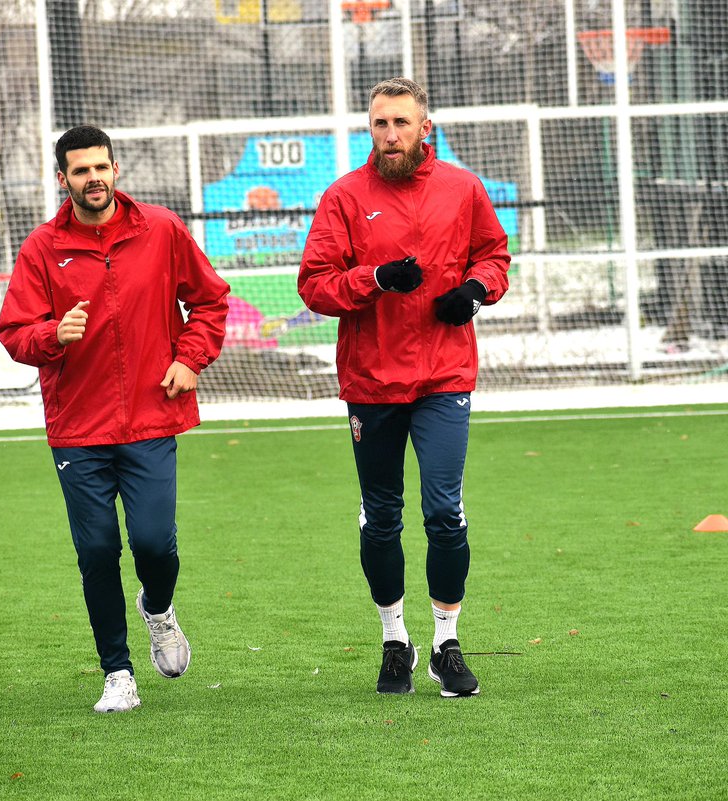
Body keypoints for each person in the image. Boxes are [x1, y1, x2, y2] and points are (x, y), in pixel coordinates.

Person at [0, 125, 230, 713]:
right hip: (78, 427)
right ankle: (117, 673)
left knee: (154, 544)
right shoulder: (41, 248)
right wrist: (52, 334)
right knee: (97, 552)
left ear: (115, 169)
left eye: (100, 167)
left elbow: (209, 300)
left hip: (151, 417)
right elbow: (14, 331)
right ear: (63, 179)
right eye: (80, 171)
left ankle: (159, 609)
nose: (93, 178)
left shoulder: (161, 229)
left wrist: (189, 359)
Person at [297, 78, 511, 697]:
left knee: (444, 511)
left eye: (400, 123)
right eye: (380, 123)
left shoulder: (463, 189)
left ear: (425, 128)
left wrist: (473, 293)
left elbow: (494, 256)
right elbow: (314, 285)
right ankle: (396, 641)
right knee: (381, 517)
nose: (390, 135)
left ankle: (446, 644)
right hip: (371, 381)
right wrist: (375, 280)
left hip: (445, 377)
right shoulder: (344, 196)